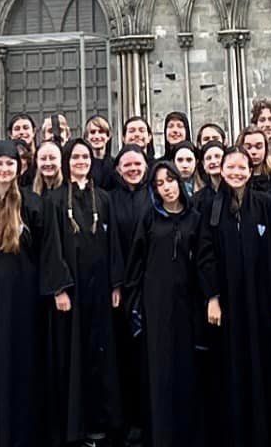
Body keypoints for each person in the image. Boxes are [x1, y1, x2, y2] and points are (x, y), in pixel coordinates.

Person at [0, 141, 70, 447]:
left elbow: (49, 248)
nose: (4, 169)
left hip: (23, 299)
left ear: (19, 167)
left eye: (10, 163)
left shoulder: (34, 204)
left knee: (22, 363)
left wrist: (58, 289)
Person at [195, 147, 271, 445]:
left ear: (250, 171)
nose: (236, 173)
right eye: (231, 167)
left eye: (242, 168)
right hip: (229, 304)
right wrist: (212, 297)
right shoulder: (211, 208)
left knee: (265, 366)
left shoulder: (266, 205)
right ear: (221, 170)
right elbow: (205, 255)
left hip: (262, 300)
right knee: (230, 367)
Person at [48, 139, 124, 444]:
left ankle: (100, 422)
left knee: (100, 355)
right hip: (72, 293)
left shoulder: (103, 198)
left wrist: (116, 283)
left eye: (85, 156)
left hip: (99, 290)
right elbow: (52, 247)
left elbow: (114, 241)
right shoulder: (55, 200)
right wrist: (59, 288)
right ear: (67, 161)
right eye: (75, 157)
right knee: (73, 356)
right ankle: (74, 427)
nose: (81, 161)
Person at [125, 162, 203, 447]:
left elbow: (203, 261)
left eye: (170, 180)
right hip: (155, 304)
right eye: (159, 183)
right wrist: (134, 304)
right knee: (158, 371)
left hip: (186, 304)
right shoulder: (149, 218)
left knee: (185, 371)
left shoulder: (195, 218)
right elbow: (136, 261)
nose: (167, 187)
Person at [108, 147, 152, 443]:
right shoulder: (110, 199)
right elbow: (110, 243)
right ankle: (130, 421)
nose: (133, 169)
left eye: (138, 164)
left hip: (153, 283)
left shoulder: (155, 195)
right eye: (127, 165)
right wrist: (116, 283)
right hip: (124, 287)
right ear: (118, 169)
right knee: (125, 354)